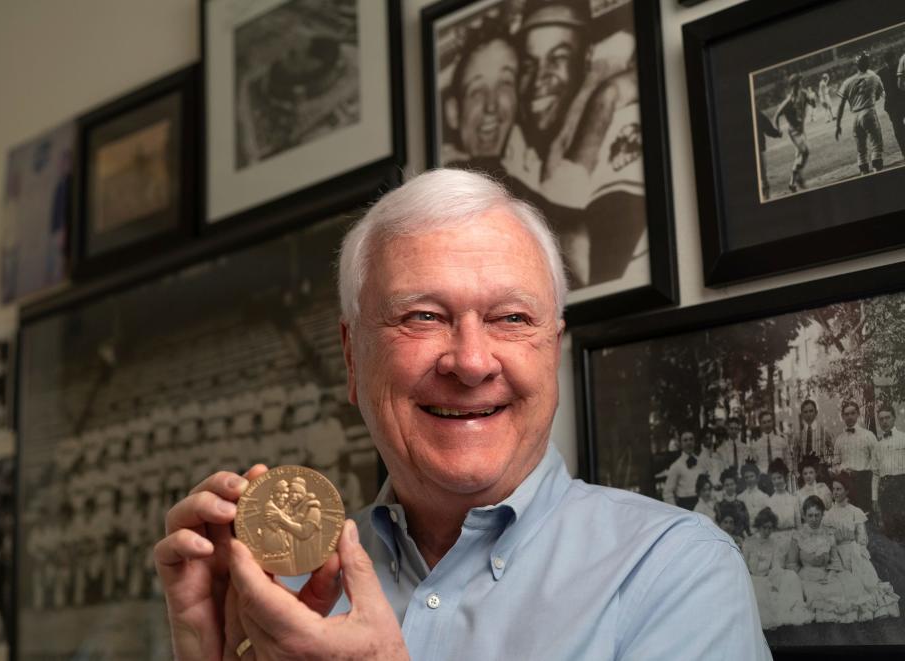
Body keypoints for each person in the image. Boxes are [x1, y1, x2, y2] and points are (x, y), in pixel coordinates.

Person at [154, 169, 770, 660]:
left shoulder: (675, 571)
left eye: (511, 318)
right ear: (351, 356)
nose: (472, 362)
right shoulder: (280, 592)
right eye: (422, 316)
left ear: (551, 353)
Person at [502, 0, 646, 288]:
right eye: (529, 65)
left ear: (587, 58)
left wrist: (603, 99)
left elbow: (592, 280)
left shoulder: (620, 123)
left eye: (558, 58)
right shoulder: (519, 150)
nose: (539, 79)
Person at [442, 20, 518, 169]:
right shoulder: (436, 189)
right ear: (454, 112)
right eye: (477, 91)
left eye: (505, 84)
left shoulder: (525, 192)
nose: (491, 105)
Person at [822, 474, 900, 620]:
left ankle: (868, 607)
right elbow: (828, 539)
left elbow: (862, 537)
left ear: (847, 491)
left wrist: (859, 552)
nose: (835, 493)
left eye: (839, 489)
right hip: (837, 554)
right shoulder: (829, 515)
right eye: (833, 489)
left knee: (866, 581)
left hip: (853, 551)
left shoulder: (855, 511)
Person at [785, 496, 856, 624]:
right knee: (813, 595)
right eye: (810, 515)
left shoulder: (829, 534)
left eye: (817, 515)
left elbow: (835, 561)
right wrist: (802, 577)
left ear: (822, 515)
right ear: (804, 516)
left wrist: (830, 575)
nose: (814, 519)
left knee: (838, 592)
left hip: (825, 576)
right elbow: (792, 564)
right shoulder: (798, 536)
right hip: (805, 577)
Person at [742, 508, 811, 630]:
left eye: (770, 528)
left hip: (768, 577)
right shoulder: (749, 542)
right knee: (760, 593)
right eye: (764, 527)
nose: (767, 531)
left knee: (791, 576)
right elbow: (744, 565)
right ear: (759, 526)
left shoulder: (773, 543)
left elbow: (775, 565)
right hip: (753, 579)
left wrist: (774, 578)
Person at [835, 52, 886, 175]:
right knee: (876, 146)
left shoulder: (848, 82)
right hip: (869, 112)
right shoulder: (874, 77)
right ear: (868, 63)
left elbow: (840, 105)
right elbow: (881, 95)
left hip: (855, 117)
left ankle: (864, 176)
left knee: (861, 151)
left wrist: (838, 125)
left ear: (856, 65)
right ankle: (878, 174)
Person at [832, 400, 878, 512]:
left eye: (852, 413)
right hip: (845, 482)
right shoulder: (839, 439)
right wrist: (840, 470)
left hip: (863, 481)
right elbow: (836, 462)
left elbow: (876, 460)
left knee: (864, 515)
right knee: (847, 515)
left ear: (858, 414)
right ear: (843, 416)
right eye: (846, 414)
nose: (850, 417)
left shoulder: (868, 436)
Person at [774, 73, 816, 193]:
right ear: (795, 84)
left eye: (801, 81)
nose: (801, 83)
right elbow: (776, 115)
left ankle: (792, 183)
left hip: (802, 130)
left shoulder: (803, 93)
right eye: (799, 81)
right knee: (806, 152)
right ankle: (798, 177)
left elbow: (812, 104)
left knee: (800, 156)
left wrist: (813, 100)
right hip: (794, 132)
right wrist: (778, 129)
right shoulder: (788, 101)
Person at [874, 404, 905, 541]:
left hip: (902, 486)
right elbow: (875, 474)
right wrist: (874, 498)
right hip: (885, 489)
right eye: (881, 419)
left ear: (894, 418)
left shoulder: (903, 438)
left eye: (887, 418)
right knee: (889, 528)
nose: (884, 422)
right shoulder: (878, 445)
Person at [766, 459, 801, 563]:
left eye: (779, 477)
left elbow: (798, 525)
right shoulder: (769, 502)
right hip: (775, 541)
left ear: (785, 477)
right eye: (774, 478)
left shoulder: (793, 499)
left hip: (792, 540)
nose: (777, 481)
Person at [791, 399, 833, 479]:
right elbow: (795, 456)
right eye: (805, 412)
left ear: (816, 412)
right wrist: (797, 473)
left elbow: (832, 450)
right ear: (802, 414)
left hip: (821, 470)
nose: (808, 414)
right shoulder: (798, 435)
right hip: (805, 472)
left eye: (811, 411)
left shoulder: (824, 431)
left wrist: (830, 467)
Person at [662, 430, 702, 510]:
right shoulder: (676, 466)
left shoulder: (701, 462)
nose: (689, 443)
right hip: (685, 506)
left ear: (694, 442)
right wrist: (677, 511)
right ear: (680, 444)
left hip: (701, 505)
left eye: (691, 439)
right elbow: (667, 493)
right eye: (685, 440)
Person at [877, 51, 905, 156]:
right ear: (894, 58)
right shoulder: (900, 67)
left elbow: (876, 89)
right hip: (897, 104)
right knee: (899, 131)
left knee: (899, 131)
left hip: (893, 105)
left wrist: (884, 95)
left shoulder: (880, 73)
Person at [718, 466, 751, 536]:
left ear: (736, 485)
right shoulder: (719, 506)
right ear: (723, 486)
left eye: (732, 484)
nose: (730, 487)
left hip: (740, 539)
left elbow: (747, 525)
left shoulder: (741, 505)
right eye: (727, 485)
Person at [739, 462, 771, 530]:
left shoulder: (764, 497)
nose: (749, 480)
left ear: (757, 477)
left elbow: (768, 518)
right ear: (744, 479)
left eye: (751, 476)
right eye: (746, 477)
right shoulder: (740, 498)